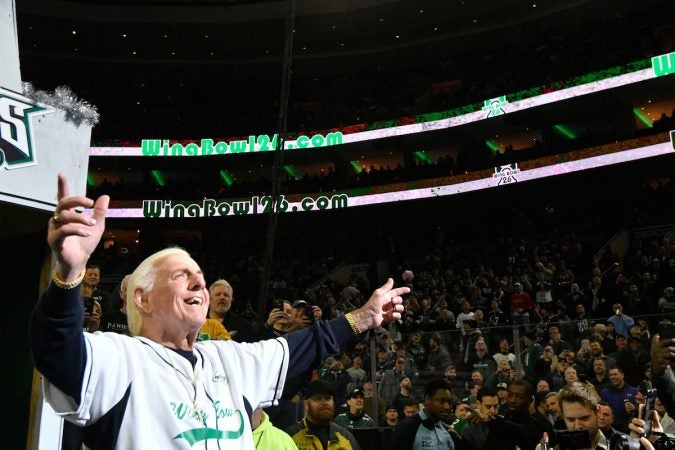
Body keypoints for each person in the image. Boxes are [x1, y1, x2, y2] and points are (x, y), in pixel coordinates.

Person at [30, 173, 408, 450]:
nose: (199, 285)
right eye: (182, 276)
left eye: (200, 277)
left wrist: (363, 317)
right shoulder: (121, 358)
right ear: (142, 299)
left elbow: (303, 347)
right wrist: (69, 275)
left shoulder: (229, 359)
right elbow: (57, 351)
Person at [285, 379, 361, 450]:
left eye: (328, 398)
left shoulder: (346, 438)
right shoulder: (291, 437)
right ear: (306, 404)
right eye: (318, 398)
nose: (325, 403)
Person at [391, 378, 455, 450]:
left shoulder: (449, 431)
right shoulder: (407, 427)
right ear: (427, 399)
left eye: (449, 402)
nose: (447, 406)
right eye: (441, 401)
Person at [208, 279, 257, 343]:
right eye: (218, 294)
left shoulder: (243, 327)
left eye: (226, 295)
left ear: (231, 300)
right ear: (209, 299)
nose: (222, 297)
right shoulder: (195, 324)